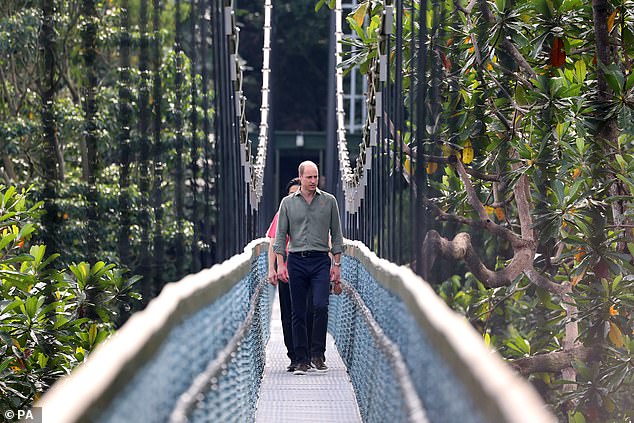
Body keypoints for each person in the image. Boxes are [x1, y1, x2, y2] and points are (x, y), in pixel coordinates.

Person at [274, 161, 344, 375]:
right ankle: (302, 359)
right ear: (301, 177)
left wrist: (337, 265)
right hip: (296, 260)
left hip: (320, 260)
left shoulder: (329, 201)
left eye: (316, 177)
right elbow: (279, 236)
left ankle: (318, 354)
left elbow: (338, 235)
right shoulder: (287, 203)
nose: (313, 181)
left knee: (321, 306)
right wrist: (280, 264)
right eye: (309, 178)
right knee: (298, 311)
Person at [266, 178, 313, 373]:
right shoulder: (281, 213)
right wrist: (272, 268)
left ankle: (307, 354)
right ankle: (294, 356)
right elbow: (273, 243)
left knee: (308, 311)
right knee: (288, 313)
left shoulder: (314, 212)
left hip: (309, 266)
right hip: (286, 268)